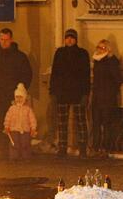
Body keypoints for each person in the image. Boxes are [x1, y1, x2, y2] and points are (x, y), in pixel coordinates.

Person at [0, 28, 32, 158]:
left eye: (6, 40)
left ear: (11, 39)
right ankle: (1, 149)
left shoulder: (20, 57)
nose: (4, 42)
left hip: (14, 97)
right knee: (0, 123)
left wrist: (21, 92)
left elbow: (26, 75)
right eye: (2, 40)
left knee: (15, 124)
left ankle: (16, 150)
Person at [49, 29, 90, 158]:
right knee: (62, 122)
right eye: (67, 38)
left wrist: (85, 93)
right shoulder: (60, 53)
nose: (69, 40)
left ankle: (82, 147)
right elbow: (54, 73)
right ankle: (62, 147)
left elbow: (86, 74)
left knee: (80, 121)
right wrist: (53, 91)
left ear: (76, 39)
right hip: (62, 92)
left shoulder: (82, 54)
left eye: (72, 38)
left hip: (78, 92)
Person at [91, 39, 122, 158]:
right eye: (98, 47)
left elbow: (118, 79)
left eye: (102, 48)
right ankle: (96, 147)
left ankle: (105, 148)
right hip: (97, 97)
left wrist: (110, 90)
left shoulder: (112, 61)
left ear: (108, 49)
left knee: (107, 123)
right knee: (96, 123)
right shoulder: (97, 61)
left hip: (108, 98)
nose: (99, 49)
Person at [4, 83, 37, 160]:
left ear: (24, 98)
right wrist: (6, 126)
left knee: (25, 144)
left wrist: (33, 128)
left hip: (25, 130)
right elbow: (8, 118)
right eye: (17, 97)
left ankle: (25, 157)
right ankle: (14, 157)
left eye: (20, 97)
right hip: (14, 130)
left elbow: (32, 119)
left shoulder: (28, 109)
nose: (18, 99)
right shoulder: (12, 108)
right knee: (14, 144)